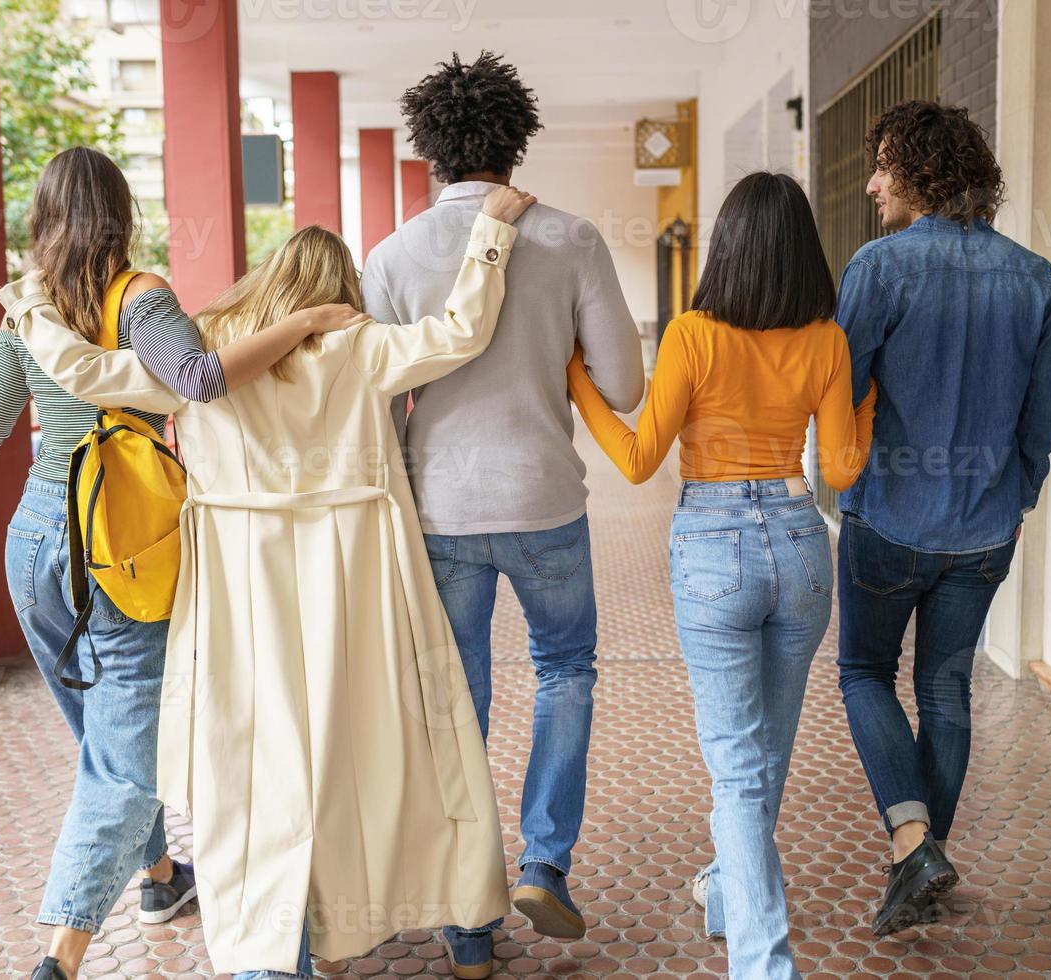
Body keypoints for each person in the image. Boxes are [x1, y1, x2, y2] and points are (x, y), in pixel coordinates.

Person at [12, 184, 537, 979]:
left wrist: (28, 304)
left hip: (240, 585)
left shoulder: (207, 349)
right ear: (340, 292)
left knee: (257, 765)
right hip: (358, 574)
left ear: (269, 276)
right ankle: (464, 929)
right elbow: (463, 330)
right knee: (405, 746)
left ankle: (274, 953)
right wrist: (490, 234)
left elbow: (88, 373)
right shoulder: (360, 345)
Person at [0, 147, 363, 980]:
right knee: (124, 765)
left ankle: (161, 876)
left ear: (41, 218)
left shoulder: (25, 312)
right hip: (117, 549)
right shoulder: (140, 298)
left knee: (104, 740)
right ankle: (60, 956)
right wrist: (307, 322)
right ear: (120, 215)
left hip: (34, 545)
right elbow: (200, 380)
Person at [360, 51, 645, 978]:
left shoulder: (392, 257)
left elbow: (374, 398)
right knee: (566, 668)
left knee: (459, 703)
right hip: (547, 499)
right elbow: (626, 386)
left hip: (442, 510)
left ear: (429, 151)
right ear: (517, 144)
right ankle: (544, 862)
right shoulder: (571, 239)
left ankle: (468, 919)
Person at [567, 171, 875, 979]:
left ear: (727, 247)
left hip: (713, 546)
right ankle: (726, 889)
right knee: (765, 751)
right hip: (803, 543)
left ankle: (763, 964)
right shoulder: (826, 340)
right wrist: (867, 401)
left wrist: (575, 379)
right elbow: (841, 467)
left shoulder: (691, 334)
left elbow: (637, 462)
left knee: (739, 765)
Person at [833, 100, 1051, 936]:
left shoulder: (879, 266)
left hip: (889, 519)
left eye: (884, 166)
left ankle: (915, 846)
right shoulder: (1033, 276)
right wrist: (1018, 498)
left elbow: (841, 387)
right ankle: (923, 858)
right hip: (985, 531)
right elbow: (1044, 416)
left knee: (863, 672)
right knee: (945, 685)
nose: (871, 183)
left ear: (922, 172)